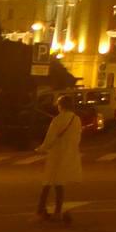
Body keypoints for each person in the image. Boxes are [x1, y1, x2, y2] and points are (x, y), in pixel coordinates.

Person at [35, 95, 83, 223]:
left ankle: (41, 209)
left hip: (56, 154)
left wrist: (41, 148)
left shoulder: (57, 120)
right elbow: (77, 138)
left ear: (60, 106)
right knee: (60, 183)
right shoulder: (76, 119)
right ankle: (57, 211)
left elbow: (50, 139)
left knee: (47, 182)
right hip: (69, 154)